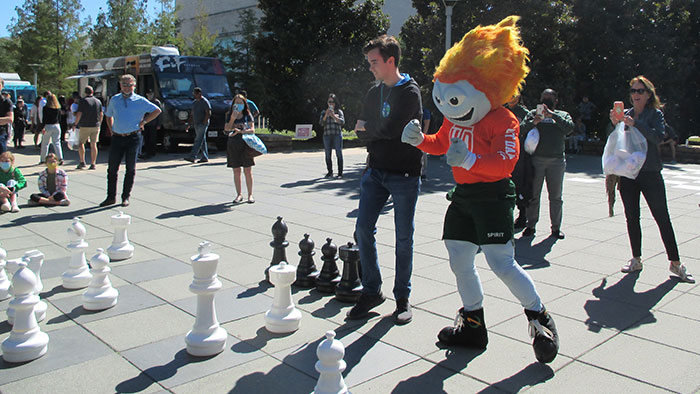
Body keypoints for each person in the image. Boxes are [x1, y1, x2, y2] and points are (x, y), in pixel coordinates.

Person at [402, 16, 559, 363]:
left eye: (452, 99)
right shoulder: (454, 117)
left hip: (492, 197)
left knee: (501, 263)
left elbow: (504, 164)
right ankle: (473, 323)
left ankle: (539, 317)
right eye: (443, 98)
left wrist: (470, 158)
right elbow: (441, 143)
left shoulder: (504, 121)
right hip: (463, 197)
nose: (448, 108)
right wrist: (419, 140)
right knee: (459, 260)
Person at [348, 35, 422, 325]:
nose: (371, 68)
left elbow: (394, 130)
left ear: (391, 61)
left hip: (404, 173)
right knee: (363, 228)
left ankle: (402, 297)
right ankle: (372, 289)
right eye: (369, 63)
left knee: (403, 238)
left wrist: (371, 132)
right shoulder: (373, 92)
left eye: (374, 62)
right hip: (375, 171)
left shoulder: (410, 92)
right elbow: (361, 127)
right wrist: (372, 131)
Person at [612, 75, 693, 283]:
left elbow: (658, 137)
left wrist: (636, 124)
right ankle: (636, 259)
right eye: (633, 91)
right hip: (629, 173)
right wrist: (616, 124)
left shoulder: (654, 114)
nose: (636, 95)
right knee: (632, 217)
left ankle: (675, 263)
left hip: (650, 173)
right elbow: (618, 141)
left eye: (640, 91)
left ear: (648, 94)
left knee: (662, 217)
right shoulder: (626, 114)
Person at [100, 74, 161, 207]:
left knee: (130, 168)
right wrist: (111, 129)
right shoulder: (115, 100)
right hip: (117, 137)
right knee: (112, 168)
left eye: (129, 85)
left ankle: (125, 197)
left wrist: (144, 121)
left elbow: (157, 110)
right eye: (124, 84)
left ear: (134, 85)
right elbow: (108, 116)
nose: (127, 87)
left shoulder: (140, 100)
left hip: (133, 136)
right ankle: (110, 197)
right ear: (120, 85)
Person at [520, 88, 574, 239]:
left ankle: (556, 228)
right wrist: (534, 122)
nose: (546, 102)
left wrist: (553, 116)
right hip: (536, 160)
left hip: (556, 161)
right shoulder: (533, 113)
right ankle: (530, 226)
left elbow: (569, 129)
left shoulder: (562, 115)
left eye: (549, 99)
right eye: (543, 99)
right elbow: (521, 129)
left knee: (556, 197)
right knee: (533, 195)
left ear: (556, 101)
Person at [505, 94, 531, 228]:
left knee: (520, 184)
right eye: (509, 95)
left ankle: (522, 215)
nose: (511, 98)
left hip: (519, 154)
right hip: (504, 153)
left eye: (514, 95)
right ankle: (506, 215)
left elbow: (526, 129)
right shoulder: (502, 110)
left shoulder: (524, 113)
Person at [225, 94, 256, 204]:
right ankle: (239, 194)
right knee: (236, 170)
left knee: (248, 170)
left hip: (246, 144)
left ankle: (250, 194)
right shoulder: (229, 115)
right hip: (233, 144)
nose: (238, 105)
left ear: (244, 104)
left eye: (240, 103)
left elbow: (252, 130)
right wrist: (233, 118)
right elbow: (226, 129)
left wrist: (241, 131)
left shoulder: (248, 115)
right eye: (236, 103)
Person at [74, 85, 103, 170]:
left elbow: (79, 114)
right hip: (95, 125)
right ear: (93, 92)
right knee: (93, 144)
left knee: (81, 143)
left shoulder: (83, 101)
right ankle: (93, 163)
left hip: (84, 125)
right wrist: (99, 123)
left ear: (85, 92)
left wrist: (75, 123)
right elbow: (101, 114)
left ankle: (82, 162)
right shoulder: (98, 101)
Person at [320, 93, 345, 178]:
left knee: (339, 153)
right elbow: (321, 123)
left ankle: (340, 173)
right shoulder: (324, 112)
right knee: (327, 154)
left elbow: (342, 122)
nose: (331, 104)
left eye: (333, 102)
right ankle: (330, 172)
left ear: (335, 103)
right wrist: (326, 115)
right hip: (327, 135)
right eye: (329, 102)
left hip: (337, 135)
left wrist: (334, 116)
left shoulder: (339, 111)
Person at [185, 87, 211, 163]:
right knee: (202, 140)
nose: (194, 95)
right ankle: (205, 157)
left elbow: (208, 113)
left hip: (202, 124)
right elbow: (192, 115)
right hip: (196, 123)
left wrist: (204, 122)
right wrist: (189, 124)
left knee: (198, 140)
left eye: (195, 93)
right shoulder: (194, 103)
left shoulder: (205, 102)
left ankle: (192, 156)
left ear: (199, 93)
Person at [40, 93, 64, 165]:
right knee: (57, 142)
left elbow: (44, 119)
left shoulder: (45, 108)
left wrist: (42, 127)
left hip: (48, 126)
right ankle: (60, 158)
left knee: (45, 143)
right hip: (56, 125)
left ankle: (43, 159)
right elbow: (60, 118)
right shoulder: (58, 108)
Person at [140, 90, 162, 159]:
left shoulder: (156, 102)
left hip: (153, 124)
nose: (149, 95)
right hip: (146, 123)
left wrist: (159, 124)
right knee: (146, 138)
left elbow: (159, 115)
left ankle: (152, 152)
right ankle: (147, 152)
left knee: (152, 139)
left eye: (151, 94)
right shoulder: (145, 101)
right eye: (148, 94)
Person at [0, 77, 14, 154]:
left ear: (2, 87)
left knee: (2, 159)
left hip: (1, 134)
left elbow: (10, 119)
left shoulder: (6, 102)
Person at [420, 106, 431, 180]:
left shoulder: (424, 111)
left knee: (423, 154)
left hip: (422, 136)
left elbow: (427, 122)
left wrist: (424, 134)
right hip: (418, 135)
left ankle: (423, 173)